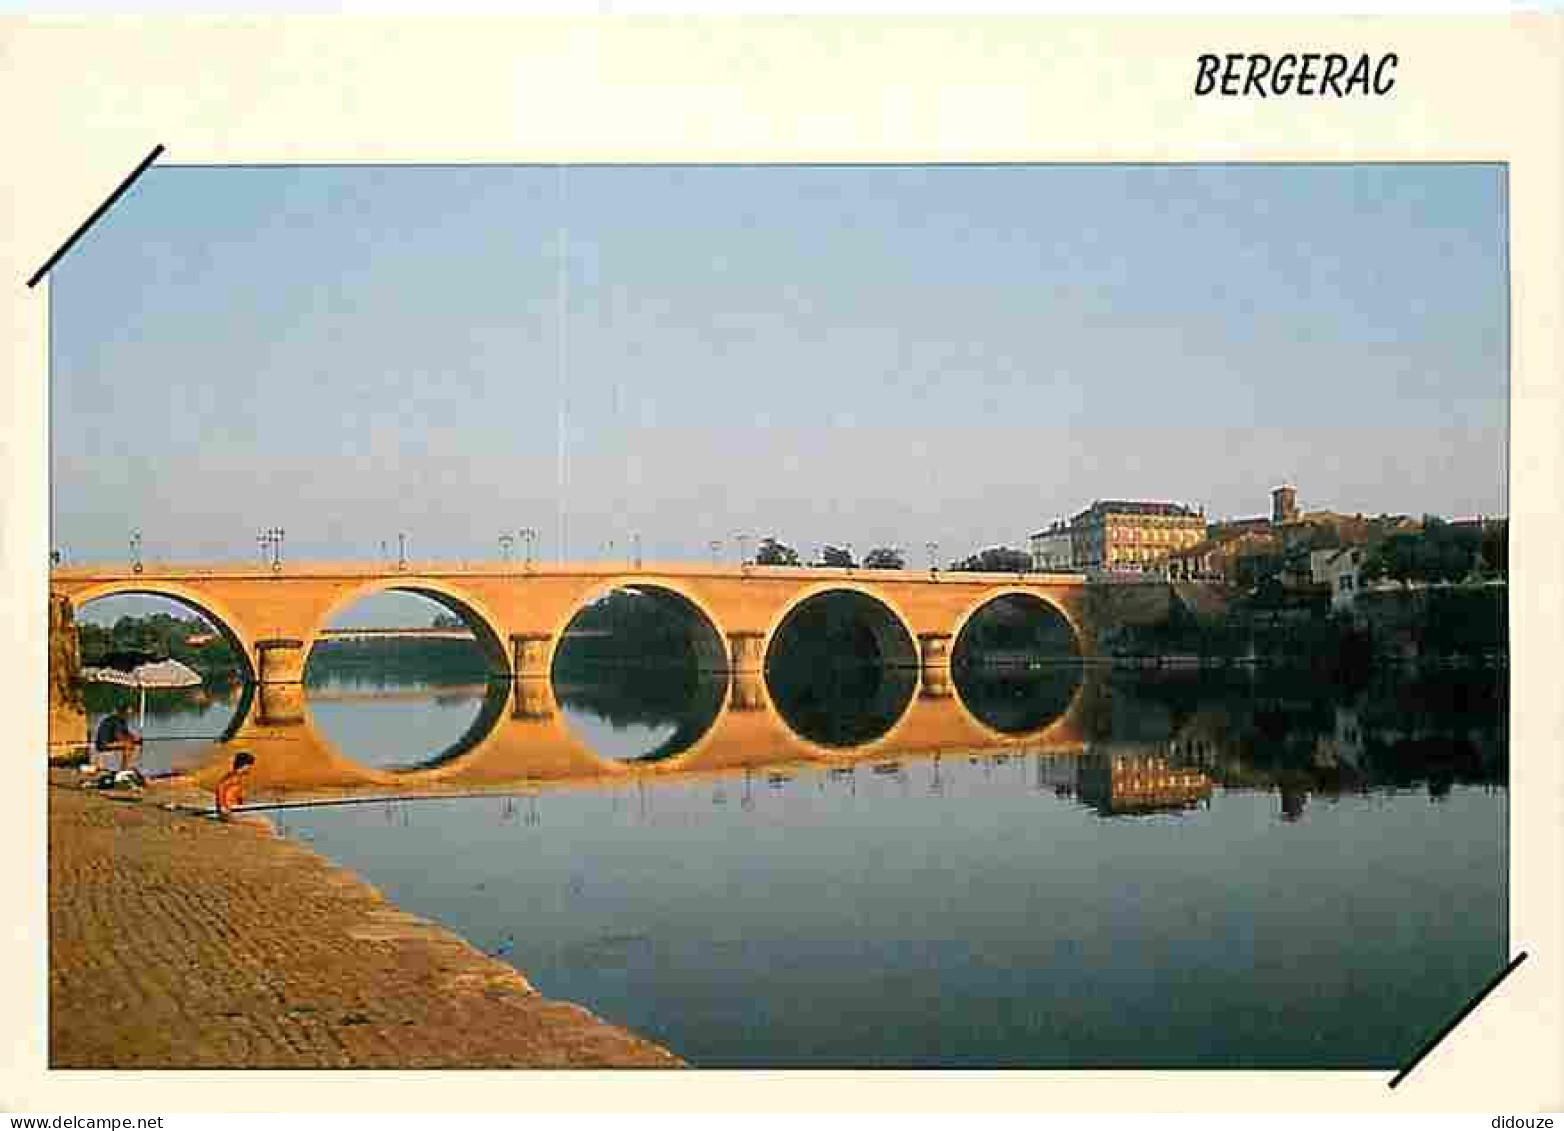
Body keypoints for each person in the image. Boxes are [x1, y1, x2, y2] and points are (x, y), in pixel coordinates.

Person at [93, 705, 142, 772]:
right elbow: (119, 736)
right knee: (128, 745)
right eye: (129, 713)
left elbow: (126, 733)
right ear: (123, 712)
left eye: (132, 713)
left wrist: (135, 737)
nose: (130, 715)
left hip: (109, 743)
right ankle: (124, 769)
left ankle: (127, 767)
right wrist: (132, 739)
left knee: (132, 744)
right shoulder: (117, 720)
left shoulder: (121, 720)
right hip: (104, 744)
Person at [215, 751, 256, 819]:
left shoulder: (240, 776)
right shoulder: (234, 776)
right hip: (228, 808)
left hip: (234, 807)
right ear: (243, 765)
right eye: (249, 765)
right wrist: (222, 806)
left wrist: (241, 805)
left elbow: (238, 794)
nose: (251, 767)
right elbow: (220, 787)